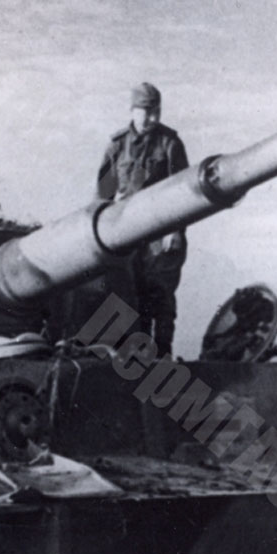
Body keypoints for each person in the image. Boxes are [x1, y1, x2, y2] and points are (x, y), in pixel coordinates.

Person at [95, 82, 189, 355]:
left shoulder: (170, 143)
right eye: (147, 112)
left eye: (157, 111)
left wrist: (175, 230)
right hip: (126, 233)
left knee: (160, 295)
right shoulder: (117, 145)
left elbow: (184, 192)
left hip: (162, 232)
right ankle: (140, 358)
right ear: (133, 110)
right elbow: (102, 195)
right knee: (129, 297)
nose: (153, 118)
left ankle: (163, 353)